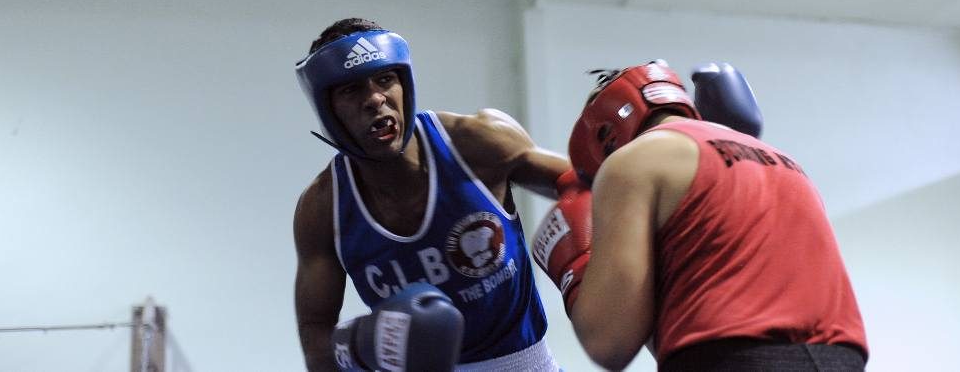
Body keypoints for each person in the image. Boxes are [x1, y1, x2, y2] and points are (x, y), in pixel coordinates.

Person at [532, 60, 868, 371]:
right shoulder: (787, 163)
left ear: (604, 136)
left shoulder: (632, 161)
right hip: (840, 358)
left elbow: (609, 343)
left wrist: (577, 272)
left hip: (730, 359)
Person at [292, 18, 568, 371]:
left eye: (385, 79)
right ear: (328, 109)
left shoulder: (477, 142)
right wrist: (361, 344)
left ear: (405, 85)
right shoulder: (322, 209)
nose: (375, 98)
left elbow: (589, 186)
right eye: (351, 89)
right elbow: (314, 336)